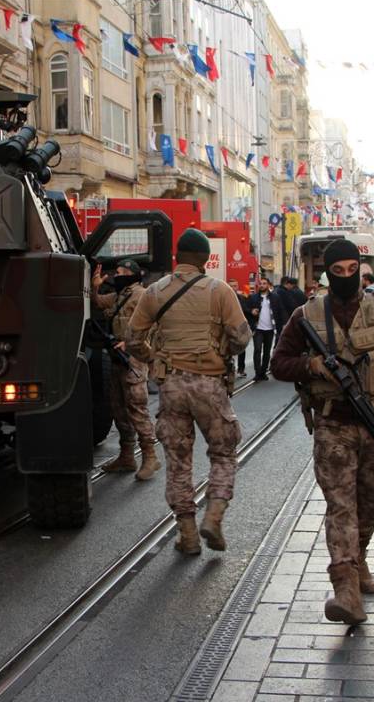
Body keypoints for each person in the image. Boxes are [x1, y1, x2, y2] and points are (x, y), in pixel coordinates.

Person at [271, 239, 374, 627]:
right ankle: (345, 587)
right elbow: (280, 363)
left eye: (351, 269)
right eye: (337, 271)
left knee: (370, 501)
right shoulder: (306, 316)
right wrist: (312, 366)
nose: (345, 278)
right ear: (326, 274)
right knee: (340, 505)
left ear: (361, 270)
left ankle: (358, 558)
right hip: (332, 425)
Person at [127, 228, 253, 552]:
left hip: (171, 385)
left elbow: (132, 340)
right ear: (205, 260)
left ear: (177, 258)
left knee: (178, 461)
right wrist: (221, 352)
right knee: (224, 453)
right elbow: (241, 337)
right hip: (209, 384)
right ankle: (213, 516)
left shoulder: (154, 292)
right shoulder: (220, 291)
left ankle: (187, 535)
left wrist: (154, 357)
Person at [91, 259, 160, 478]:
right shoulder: (118, 296)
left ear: (131, 274)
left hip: (134, 359)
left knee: (137, 409)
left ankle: (150, 457)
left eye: (121, 272)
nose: (116, 276)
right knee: (118, 408)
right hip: (116, 359)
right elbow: (97, 303)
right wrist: (94, 286)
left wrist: (130, 343)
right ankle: (127, 456)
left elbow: (153, 325)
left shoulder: (141, 295)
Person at [246, 277, 282, 380]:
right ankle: (257, 373)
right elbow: (245, 309)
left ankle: (263, 372)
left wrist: (282, 324)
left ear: (268, 285)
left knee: (267, 352)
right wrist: (251, 311)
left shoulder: (275, 297)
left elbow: (280, 311)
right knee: (257, 350)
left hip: (270, 329)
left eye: (264, 283)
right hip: (258, 329)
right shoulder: (253, 297)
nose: (262, 285)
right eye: (260, 283)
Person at [228, 278, 252, 376]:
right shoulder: (224, 298)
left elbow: (246, 311)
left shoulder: (242, 298)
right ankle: (229, 370)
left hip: (239, 327)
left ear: (237, 287)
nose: (233, 288)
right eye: (231, 286)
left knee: (242, 348)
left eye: (235, 286)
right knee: (227, 350)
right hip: (228, 327)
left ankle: (241, 369)